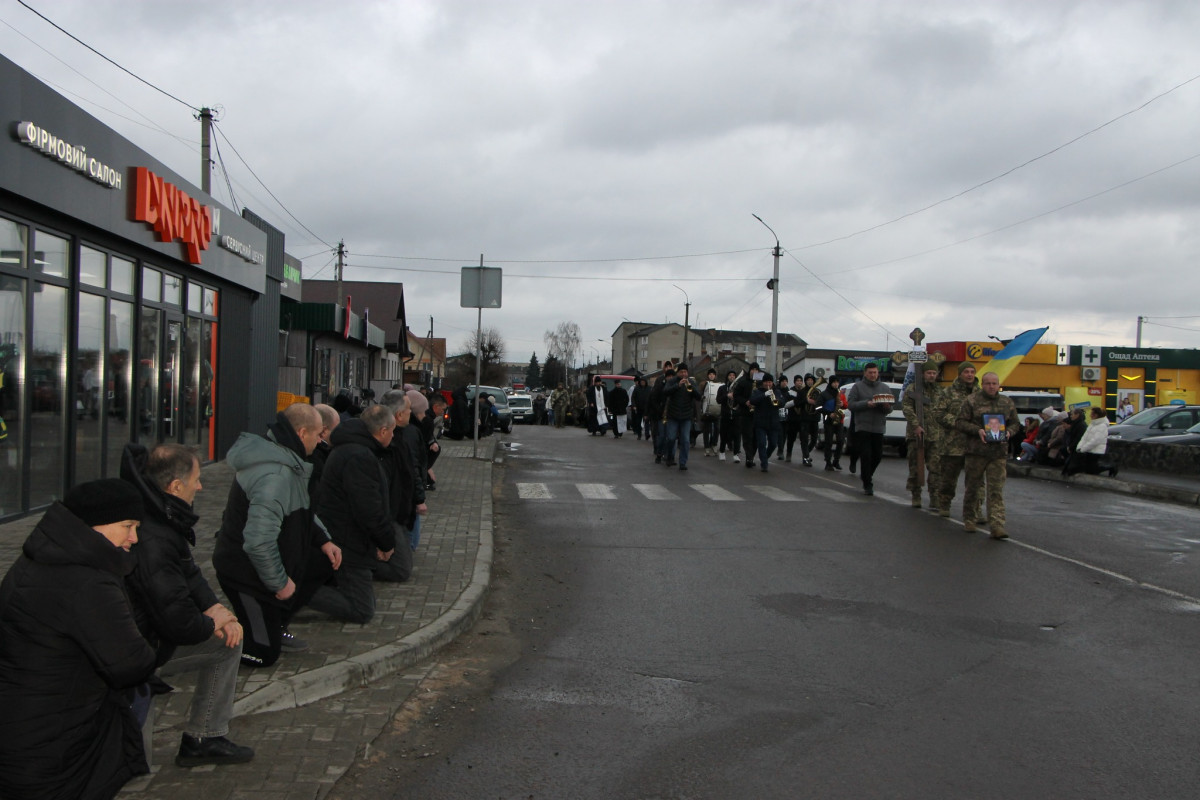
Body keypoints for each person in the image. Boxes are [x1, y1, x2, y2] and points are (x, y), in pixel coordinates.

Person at [0, 479, 157, 800]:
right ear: (92, 526)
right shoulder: (90, 582)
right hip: (53, 748)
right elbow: (132, 664)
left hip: (19, 730)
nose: (134, 537)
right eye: (127, 525)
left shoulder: (38, 557)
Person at [121, 443, 254, 768]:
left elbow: (189, 573)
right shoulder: (155, 535)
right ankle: (203, 738)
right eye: (195, 479)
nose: (201, 485)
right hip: (139, 645)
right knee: (227, 644)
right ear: (175, 486)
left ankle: (203, 736)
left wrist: (215, 609)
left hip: (143, 633)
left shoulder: (159, 513)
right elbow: (177, 619)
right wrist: (215, 625)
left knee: (228, 632)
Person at [212, 403, 343, 667]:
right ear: (302, 432)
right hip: (245, 575)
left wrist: (325, 540)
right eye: (318, 435)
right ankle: (211, 639)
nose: (320, 441)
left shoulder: (288, 458)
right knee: (263, 655)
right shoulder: (275, 474)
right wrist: (279, 583)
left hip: (266, 570)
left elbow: (300, 507)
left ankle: (272, 622)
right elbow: (258, 542)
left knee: (323, 561)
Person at [307, 404, 402, 624]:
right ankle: (297, 593)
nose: (394, 436)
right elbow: (368, 508)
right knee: (362, 610)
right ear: (383, 431)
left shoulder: (354, 450)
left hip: (347, 537)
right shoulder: (359, 456)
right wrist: (385, 541)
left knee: (363, 601)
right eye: (393, 431)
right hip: (347, 540)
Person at [954, 371, 1019, 538]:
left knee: (996, 490)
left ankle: (997, 525)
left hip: (998, 453)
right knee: (973, 488)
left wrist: (1010, 432)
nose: (991, 386)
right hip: (976, 452)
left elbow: (1015, 423)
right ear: (982, 384)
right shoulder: (972, 400)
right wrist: (978, 431)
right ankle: (970, 518)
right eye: (988, 383)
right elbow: (960, 422)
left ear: (998, 385)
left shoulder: (1006, 402)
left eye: (994, 383)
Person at [933, 362, 979, 520]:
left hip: (975, 445)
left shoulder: (980, 393)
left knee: (976, 481)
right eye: (966, 371)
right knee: (948, 479)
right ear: (960, 374)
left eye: (972, 371)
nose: (970, 374)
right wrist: (959, 423)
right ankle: (944, 503)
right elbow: (938, 413)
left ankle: (976, 510)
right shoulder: (948, 392)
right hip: (952, 444)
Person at [846, 363, 892, 496]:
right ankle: (868, 484)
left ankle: (866, 475)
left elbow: (889, 409)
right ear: (865, 373)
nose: (873, 375)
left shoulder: (884, 387)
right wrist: (867, 404)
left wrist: (886, 406)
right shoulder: (857, 387)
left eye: (875, 372)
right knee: (866, 455)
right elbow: (851, 405)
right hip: (863, 427)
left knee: (877, 456)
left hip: (878, 427)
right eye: (870, 372)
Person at [902, 364, 943, 508]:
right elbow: (906, 407)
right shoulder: (912, 389)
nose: (932, 376)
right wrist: (916, 425)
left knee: (936, 468)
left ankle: (935, 496)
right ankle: (916, 495)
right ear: (923, 374)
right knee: (915, 466)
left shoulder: (939, 391)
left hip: (935, 435)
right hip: (916, 434)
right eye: (929, 373)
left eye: (934, 373)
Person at [663, 363, 698, 470]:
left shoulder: (691, 382)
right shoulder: (672, 381)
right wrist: (677, 386)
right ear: (678, 373)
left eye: (685, 372)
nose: (684, 374)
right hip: (673, 415)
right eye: (681, 372)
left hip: (686, 416)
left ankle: (683, 462)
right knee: (671, 438)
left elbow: (699, 396)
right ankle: (669, 456)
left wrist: (691, 387)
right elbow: (665, 392)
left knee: (685, 440)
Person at [750, 373, 786, 472]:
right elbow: (752, 401)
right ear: (763, 382)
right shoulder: (757, 391)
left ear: (772, 382)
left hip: (773, 422)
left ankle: (765, 456)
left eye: (770, 382)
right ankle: (764, 464)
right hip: (760, 422)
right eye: (766, 382)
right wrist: (764, 395)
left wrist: (776, 400)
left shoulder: (777, 391)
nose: (768, 384)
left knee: (773, 444)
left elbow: (782, 402)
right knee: (761, 443)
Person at [1069, 406, 1115, 476]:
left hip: (1096, 450)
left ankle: (1110, 467)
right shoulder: (1092, 424)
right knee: (1087, 468)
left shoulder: (1102, 426)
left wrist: (1084, 448)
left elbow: (1095, 441)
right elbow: (1084, 437)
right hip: (1088, 449)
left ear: (1096, 415)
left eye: (1092, 414)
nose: (1090, 415)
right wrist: (1080, 446)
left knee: (1092, 470)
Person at [732, 363, 759, 468]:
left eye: (757, 370)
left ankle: (751, 456)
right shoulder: (743, 382)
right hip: (745, 413)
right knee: (748, 436)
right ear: (750, 370)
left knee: (756, 438)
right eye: (753, 369)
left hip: (757, 414)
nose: (755, 372)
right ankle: (749, 458)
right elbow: (736, 395)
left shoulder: (761, 382)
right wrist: (745, 402)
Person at [820, 374, 844, 471]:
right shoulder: (824, 394)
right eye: (834, 382)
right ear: (830, 383)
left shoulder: (840, 393)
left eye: (837, 382)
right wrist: (828, 413)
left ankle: (836, 460)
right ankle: (828, 462)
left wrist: (843, 404)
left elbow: (845, 405)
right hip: (828, 419)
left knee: (841, 441)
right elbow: (817, 407)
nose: (836, 384)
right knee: (829, 441)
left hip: (838, 420)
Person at [716, 369, 740, 462]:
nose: (732, 377)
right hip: (725, 414)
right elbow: (718, 400)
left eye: (733, 375)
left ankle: (736, 454)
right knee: (724, 434)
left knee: (737, 435)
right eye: (730, 375)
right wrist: (727, 396)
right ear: (727, 377)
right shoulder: (722, 388)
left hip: (736, 414)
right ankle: (722, 451)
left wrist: (736, 396)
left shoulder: (738, 388)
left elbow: (740, 399)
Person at [699, 368, 721, 456]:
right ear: (708, 375)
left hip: (716, 409)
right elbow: (699, 394)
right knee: (706, 429)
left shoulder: (718, 385)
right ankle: (707, 447)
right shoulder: (703, 384)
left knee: (717, 428)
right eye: (710, 374)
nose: (711, 375)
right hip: (706, 410)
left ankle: (714, 444)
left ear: (715, 376)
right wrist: (702, 398)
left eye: (713, 374)